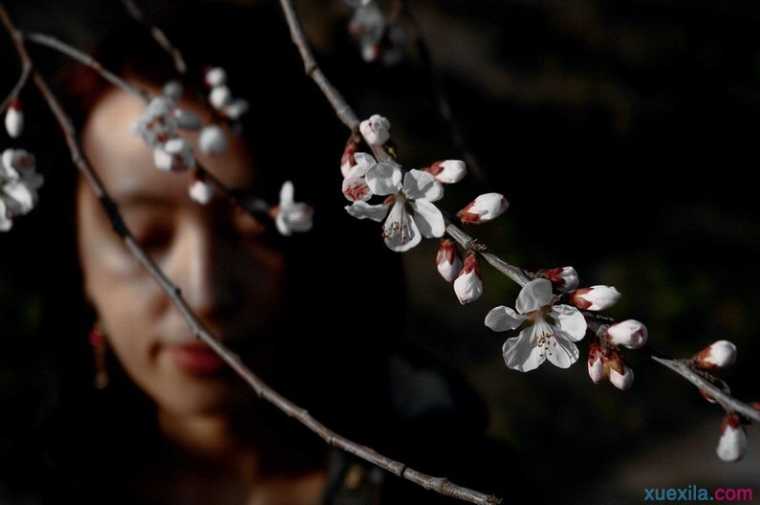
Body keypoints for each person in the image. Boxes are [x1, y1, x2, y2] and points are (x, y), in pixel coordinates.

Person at [0, 3, 529, 504]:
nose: (205, 293)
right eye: (142, 235)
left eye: (258, 229)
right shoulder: (25, 479)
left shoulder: (449, 480)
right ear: (74, 248)